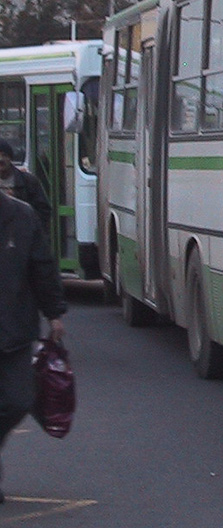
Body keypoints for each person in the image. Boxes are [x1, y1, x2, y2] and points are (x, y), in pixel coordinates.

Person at [0, 188, 67, 504]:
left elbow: (43, 267)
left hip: (13, 331)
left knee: (18, 399)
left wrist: (54, 313)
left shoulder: (22, 216)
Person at [0, 140, 51, 231]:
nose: (1, 159)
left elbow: (43, 212)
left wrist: (17, 202)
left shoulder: (28, 181)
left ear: (10, 158)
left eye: (4, 155)